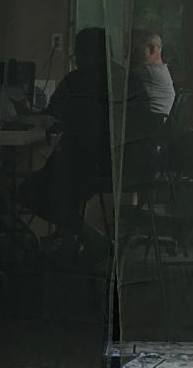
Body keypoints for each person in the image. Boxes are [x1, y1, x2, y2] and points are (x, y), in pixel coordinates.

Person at [20, 27, 150, 242]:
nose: (76, 61)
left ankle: (92, 239)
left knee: (30, 191)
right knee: (64, 176)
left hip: (91, 165)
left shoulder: (76, 81)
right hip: (132, 164)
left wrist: (25, 114)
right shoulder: (131, 80)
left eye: (76, 55)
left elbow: (53, 119)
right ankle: (69, 239)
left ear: (84, 54)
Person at [129, 26, 176, 115]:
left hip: (151, 120)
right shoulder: (160, 69)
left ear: (151, 49)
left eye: (136, 49)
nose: (132, 53)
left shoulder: (148, 71)